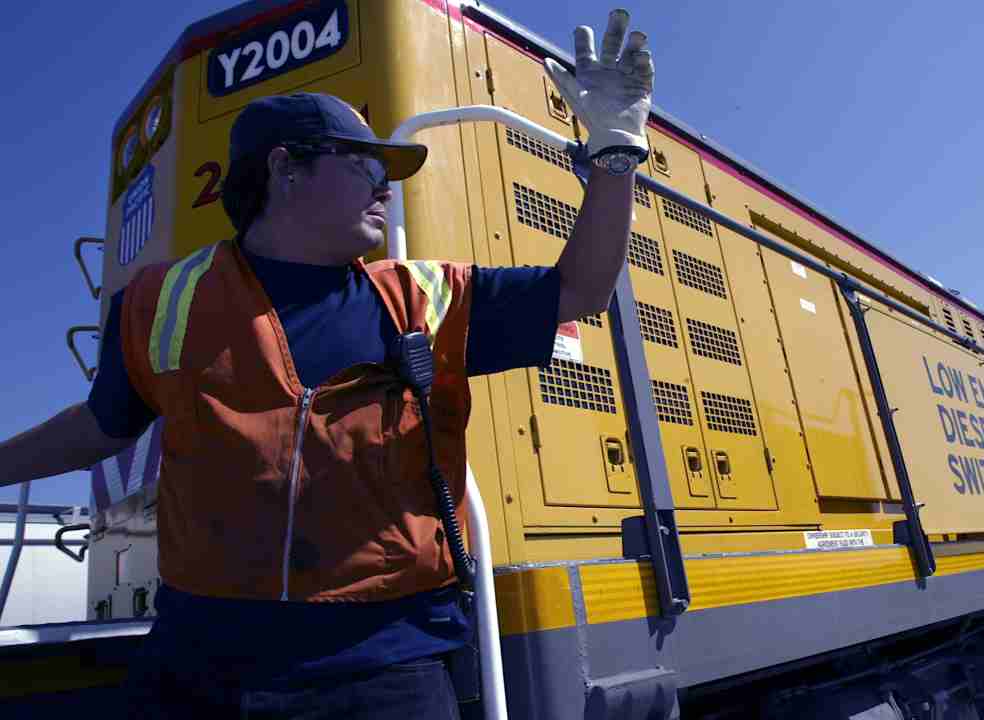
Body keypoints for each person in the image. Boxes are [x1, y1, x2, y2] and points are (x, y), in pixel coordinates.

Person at [0, 9, 654, 718]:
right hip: (197, 671)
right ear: (285, 169)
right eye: (366, 166)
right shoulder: (161, 302)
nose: (385, 188)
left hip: (385, 671)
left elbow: (581, 290)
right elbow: (99, 428)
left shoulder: (425, 298)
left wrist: (615, 151)